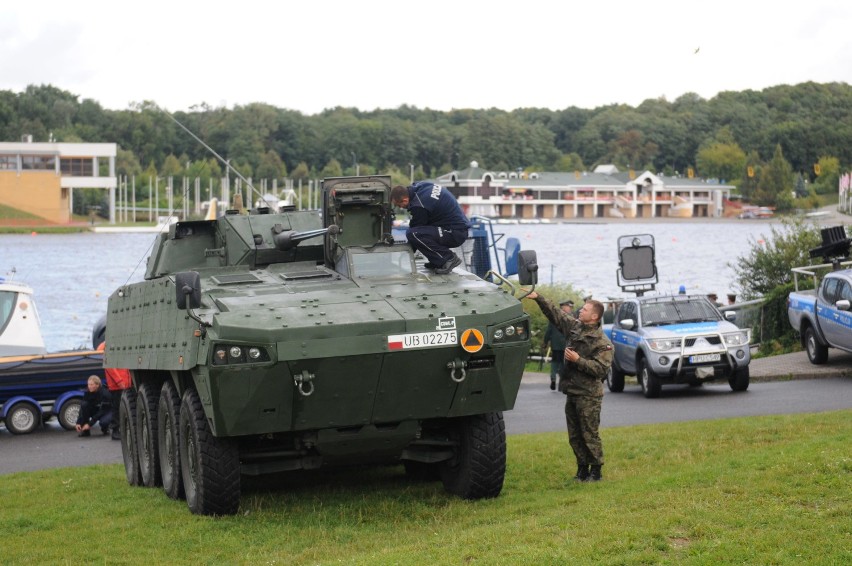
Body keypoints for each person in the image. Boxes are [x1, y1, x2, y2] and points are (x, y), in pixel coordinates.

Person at [527, 290, 613, 482]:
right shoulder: (575, 328)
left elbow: (600, 370)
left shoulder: (602, 343)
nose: (580, 311)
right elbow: (556, 314)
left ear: (594, 316)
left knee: (589, 434)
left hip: (589, 395)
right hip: (572, 392)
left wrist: (578, 360)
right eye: (581, 308)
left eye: (585, 309)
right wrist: (538, 298)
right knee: (574, 435)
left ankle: (596, 470)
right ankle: (582, 469)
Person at [391, 181, 471, 275]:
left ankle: (449, 258)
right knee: (418, 233)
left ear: (405, 200)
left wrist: (407, 252)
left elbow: (416, 230)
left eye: (398, 205)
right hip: (456, 227)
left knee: (413, 234)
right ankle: (437, 261)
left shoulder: (419, 205)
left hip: (455, 233)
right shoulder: (420, 186)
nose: (400, 207)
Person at [98, 342, 131, 440]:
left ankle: (118, 429)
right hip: (117, 386)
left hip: (123, 385)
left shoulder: (115, 352)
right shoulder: (109, 354)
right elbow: (111, 369)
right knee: (117, 409)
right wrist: (120, 382)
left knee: (120, 408)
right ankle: (115, 430)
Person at [542, 299, 574, 391]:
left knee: (555, 363)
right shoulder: (570, 317)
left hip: (555, 344)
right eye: (569, 307)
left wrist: (545, 342)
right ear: (564, 307)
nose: (570, 309)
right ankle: (561, 383)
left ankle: (553, 378)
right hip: (566, 345)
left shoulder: (554, 317)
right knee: (564, 364)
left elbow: (548, 331)